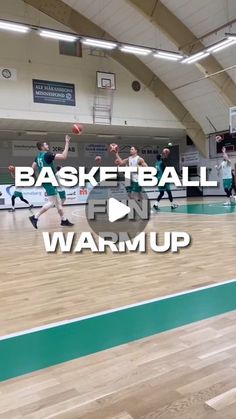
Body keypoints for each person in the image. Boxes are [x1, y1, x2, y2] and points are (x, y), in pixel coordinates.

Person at [29, 135, 74, 229]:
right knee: (51, 202)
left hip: (45, 179)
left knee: (58, 202)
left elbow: (32, 168)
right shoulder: (48, 155)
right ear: (42, 147)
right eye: (46, 144)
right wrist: (67, 143)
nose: (47, 145)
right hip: (49, 180)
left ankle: (64, 220)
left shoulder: (37, 157)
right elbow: (63, 156)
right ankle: (35, 217)